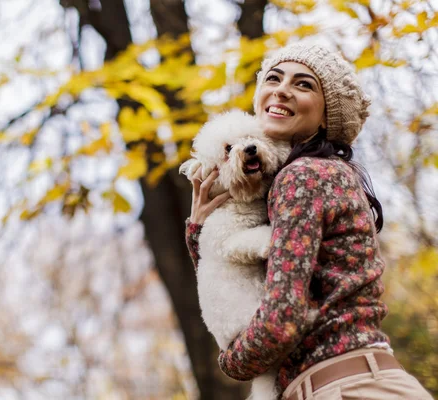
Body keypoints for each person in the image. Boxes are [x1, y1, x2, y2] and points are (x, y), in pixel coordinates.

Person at [185, 43, 433, 400]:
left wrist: (230, 362)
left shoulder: (303, 177)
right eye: (274, 78)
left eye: (304, 84)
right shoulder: (310, 176)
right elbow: (236, 279)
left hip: (348, 388)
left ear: (325, 117)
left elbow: (281, 321)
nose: (283, 89)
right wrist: (201, 231)